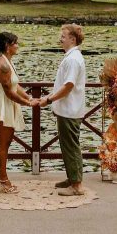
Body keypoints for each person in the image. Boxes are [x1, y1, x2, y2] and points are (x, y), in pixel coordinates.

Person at [40, 23, 87, 196]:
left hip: (70, 110)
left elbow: (68, 86)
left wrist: (49, 99)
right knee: (68, 146)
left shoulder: (73, 59)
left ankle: (76, 185)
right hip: (68, 109)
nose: (60, 39)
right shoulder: (72, 57)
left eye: (63, 36)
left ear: (72, 39)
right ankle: (72, 178)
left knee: (71, 147)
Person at [0, 32, 35, 193]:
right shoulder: (3, 65)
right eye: (15, 43)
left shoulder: (7, 61)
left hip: (8, 103)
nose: (17, 46)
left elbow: (15, 85)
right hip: (4, 104)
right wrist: (27, 103)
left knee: (6, 142)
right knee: (3, 143)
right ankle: (3, 180)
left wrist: (28, 96)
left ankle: (1, 178)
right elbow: (9, 93)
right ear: (8, 46)